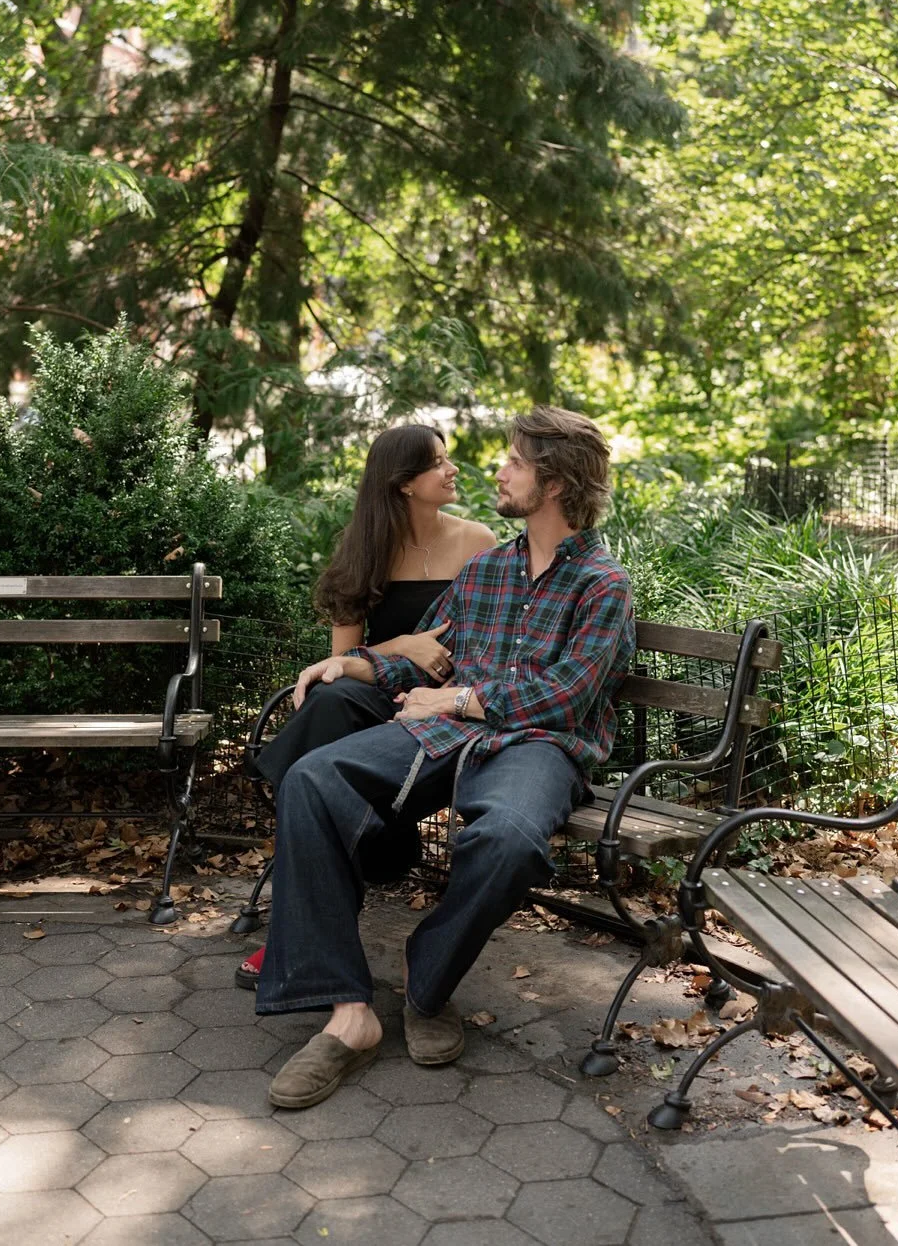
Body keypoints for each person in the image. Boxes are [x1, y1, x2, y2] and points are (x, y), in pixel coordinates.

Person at [257, 405, 636, 1109]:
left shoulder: (602, 585)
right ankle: (349, 1012)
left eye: (516, 461)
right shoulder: (489, 569)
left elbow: (567, 695)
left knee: (509, 839)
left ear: (553, 481)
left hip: (539, 749)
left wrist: (459, 701)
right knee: (312, 778)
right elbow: (438, 657)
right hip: (444, 734)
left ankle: (426, 983)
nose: (500, 470)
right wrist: (353, 666)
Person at [235, 424, 495, 987]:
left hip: (446, 706)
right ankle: (319, 884)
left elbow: (492, 644)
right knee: (331, 700)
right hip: (377, 696)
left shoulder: (479, 543)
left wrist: (436, 689)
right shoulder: (364, 548)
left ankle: (312, 882)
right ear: (403, 483)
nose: (453, 470)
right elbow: (343, 658)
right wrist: (402, 645)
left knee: (328, 723)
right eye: (438, 464)